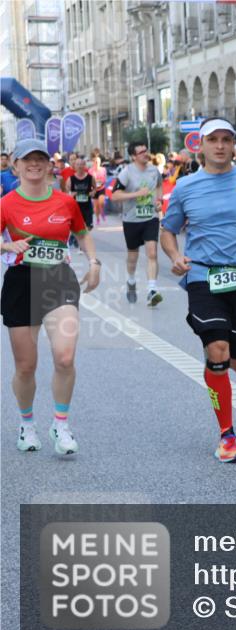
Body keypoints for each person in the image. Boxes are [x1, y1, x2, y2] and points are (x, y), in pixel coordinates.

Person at [160, 118, 236, 463]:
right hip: (202, 275)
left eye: (226, 139)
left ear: (234, 145)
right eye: (212, 139)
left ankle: (218, 370)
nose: (219, 145)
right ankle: (227, 436)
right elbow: (167, 231)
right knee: (218, 349)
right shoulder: (186, 187)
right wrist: (175, 256)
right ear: (200, 145)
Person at [1, 138, 102, 455]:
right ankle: (26, 425)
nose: (34, 164)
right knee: (26, 366)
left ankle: (61, 424)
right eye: (27, 159)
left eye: (40, 159)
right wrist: (8, 245)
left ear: (49, 165)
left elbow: (82, 233)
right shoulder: (6, 204)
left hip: (58, 279)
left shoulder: (65, 202)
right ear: (15, 166)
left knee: (65, 356)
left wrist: (94, 262)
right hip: (21, 282)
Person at [111, 141, 165, 307]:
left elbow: (159, 186)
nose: (145, 154)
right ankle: (131, 281)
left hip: (150, 217)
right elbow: (115, 196)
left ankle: (152, 290)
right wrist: (136, 194)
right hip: (132, 219)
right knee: (133, 256)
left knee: (152, 253)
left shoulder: (154, 170)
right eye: (140, 152)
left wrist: (159, 201)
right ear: (133, 156)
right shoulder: (127, 173)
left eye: (145, 150)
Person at [64, 157, 97, 230]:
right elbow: (66, 192)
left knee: (89, 226)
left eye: (81, 164)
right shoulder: (71, 179)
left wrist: (93, 192)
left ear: (84, 166)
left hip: (87, 206)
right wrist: (71, 194)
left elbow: (95, 188)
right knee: (75, 226)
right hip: (75, 206)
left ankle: (84, 237)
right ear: (74, 166)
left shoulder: (90, 178)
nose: (79, 166)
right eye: (78, 164)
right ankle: (77, 239)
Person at [88, 155, 108, 225]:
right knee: (96, 206)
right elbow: (89, 180)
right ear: (93, 162)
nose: (97, 163)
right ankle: (98, 218)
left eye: (98, 162)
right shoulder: (90, 170)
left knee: (101, 202)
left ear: (100, 162)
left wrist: (100, 182)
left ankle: (102, 212)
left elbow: (105, 179)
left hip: (101, 188)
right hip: (94, 190)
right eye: (95, 162)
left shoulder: (103, 169)